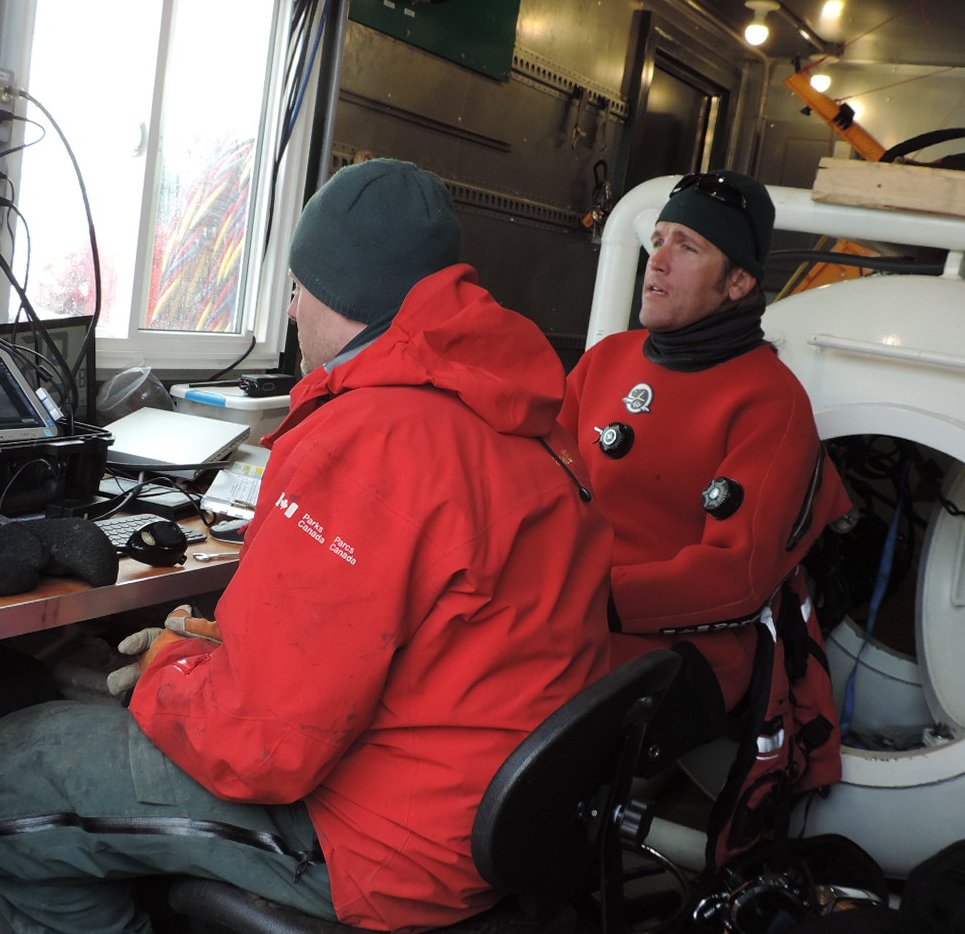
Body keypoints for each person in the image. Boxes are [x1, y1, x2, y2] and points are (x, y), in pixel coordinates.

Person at [0, 158, 613, 933]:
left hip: (380, 845)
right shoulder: (524, 419)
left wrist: (168, 674)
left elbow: (260, 749)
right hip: (494, 815)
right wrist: (221, 657)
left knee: (18, 772)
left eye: (296, 289)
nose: (290, 313)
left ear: (344, 298)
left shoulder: (371, 440)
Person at [556, 169, 853, 865]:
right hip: (561, 616)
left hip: (679, 657)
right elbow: (536, 487)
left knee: (499, 710)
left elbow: (734, 577)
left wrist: (577, 598)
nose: (656, 260)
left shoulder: (768, 403)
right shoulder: (607, 362)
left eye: (685, 246)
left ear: (739, 283)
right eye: (657, 239)